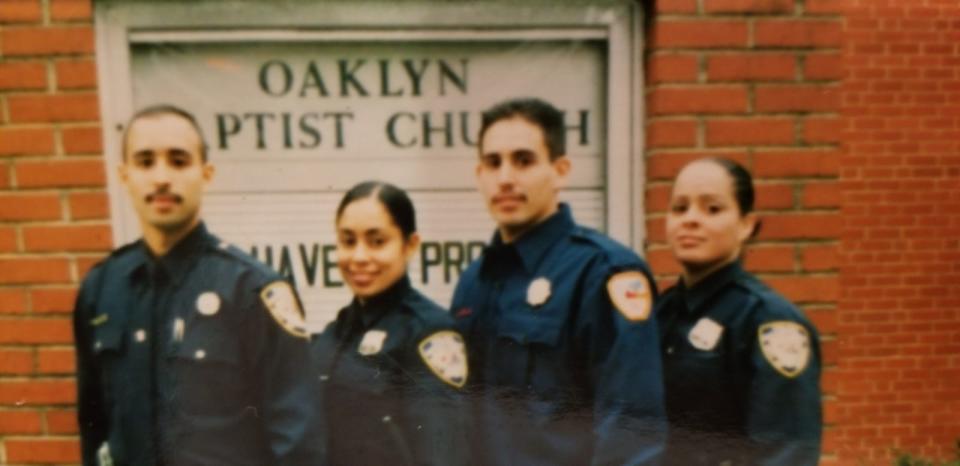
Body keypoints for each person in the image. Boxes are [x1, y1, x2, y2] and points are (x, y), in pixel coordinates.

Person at [72, 105, 322, 466]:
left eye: (178, 161)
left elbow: (299, 443)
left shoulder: (251, 291)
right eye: (145, 162)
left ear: (206, 174)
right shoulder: (101, 289)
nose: (161, 177)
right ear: (124, 176)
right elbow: (93, 429)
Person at [450, 97, 666, 465]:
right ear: (479, 175)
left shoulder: (602, 273)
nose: (505, 178)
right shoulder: (475, 281)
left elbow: (631, 433)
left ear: (561, 170)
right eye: (493, 163)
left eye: (524, 160)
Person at [658, 157, 822, 465]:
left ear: (746, 224)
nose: (690, 219)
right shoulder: (660, 314)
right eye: (679, 208)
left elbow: (785, 453)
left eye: (713, 209)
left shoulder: (770, 322)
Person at [311, 180, 470, 466]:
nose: (359, 257)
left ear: (410, 245)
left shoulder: (428, 333)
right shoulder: (335, 332)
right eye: (348, 241)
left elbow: (443, 453)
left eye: (377, 241)